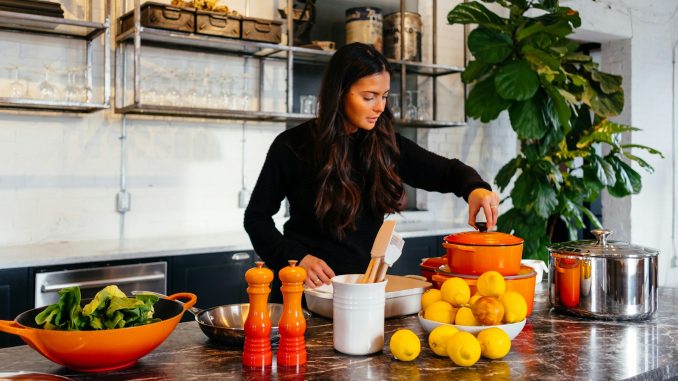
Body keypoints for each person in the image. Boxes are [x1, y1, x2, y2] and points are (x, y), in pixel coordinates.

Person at [244, 42, 499, 299]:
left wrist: (475, 189)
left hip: (362, 296)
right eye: (369, 97)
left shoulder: (386, 144)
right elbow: (256, 218)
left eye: (385, 96)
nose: (380, 107)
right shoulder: (292, 146)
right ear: (340, 93)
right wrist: (296, 258)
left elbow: (448, 172)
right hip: (303, 295)